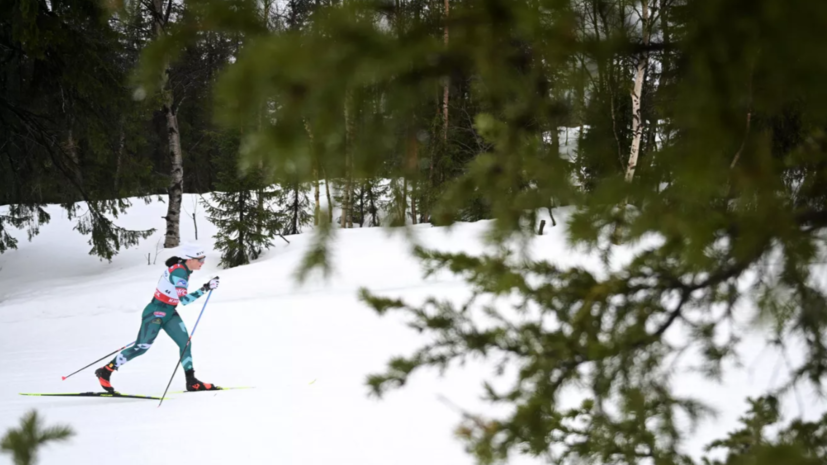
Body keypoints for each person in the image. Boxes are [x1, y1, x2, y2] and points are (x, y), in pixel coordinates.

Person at [95, 243, 221, 392]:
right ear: (189, 259)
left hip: (169, 312)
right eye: (200, 259)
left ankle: (191, 381)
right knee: (141, 347)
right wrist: (205, 288)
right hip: (156, 312)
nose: (203, 262)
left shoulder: (183, 268)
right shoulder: (180, 273)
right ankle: (106, 371)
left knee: (185, 343)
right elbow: (185, 300)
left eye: (203, 258)